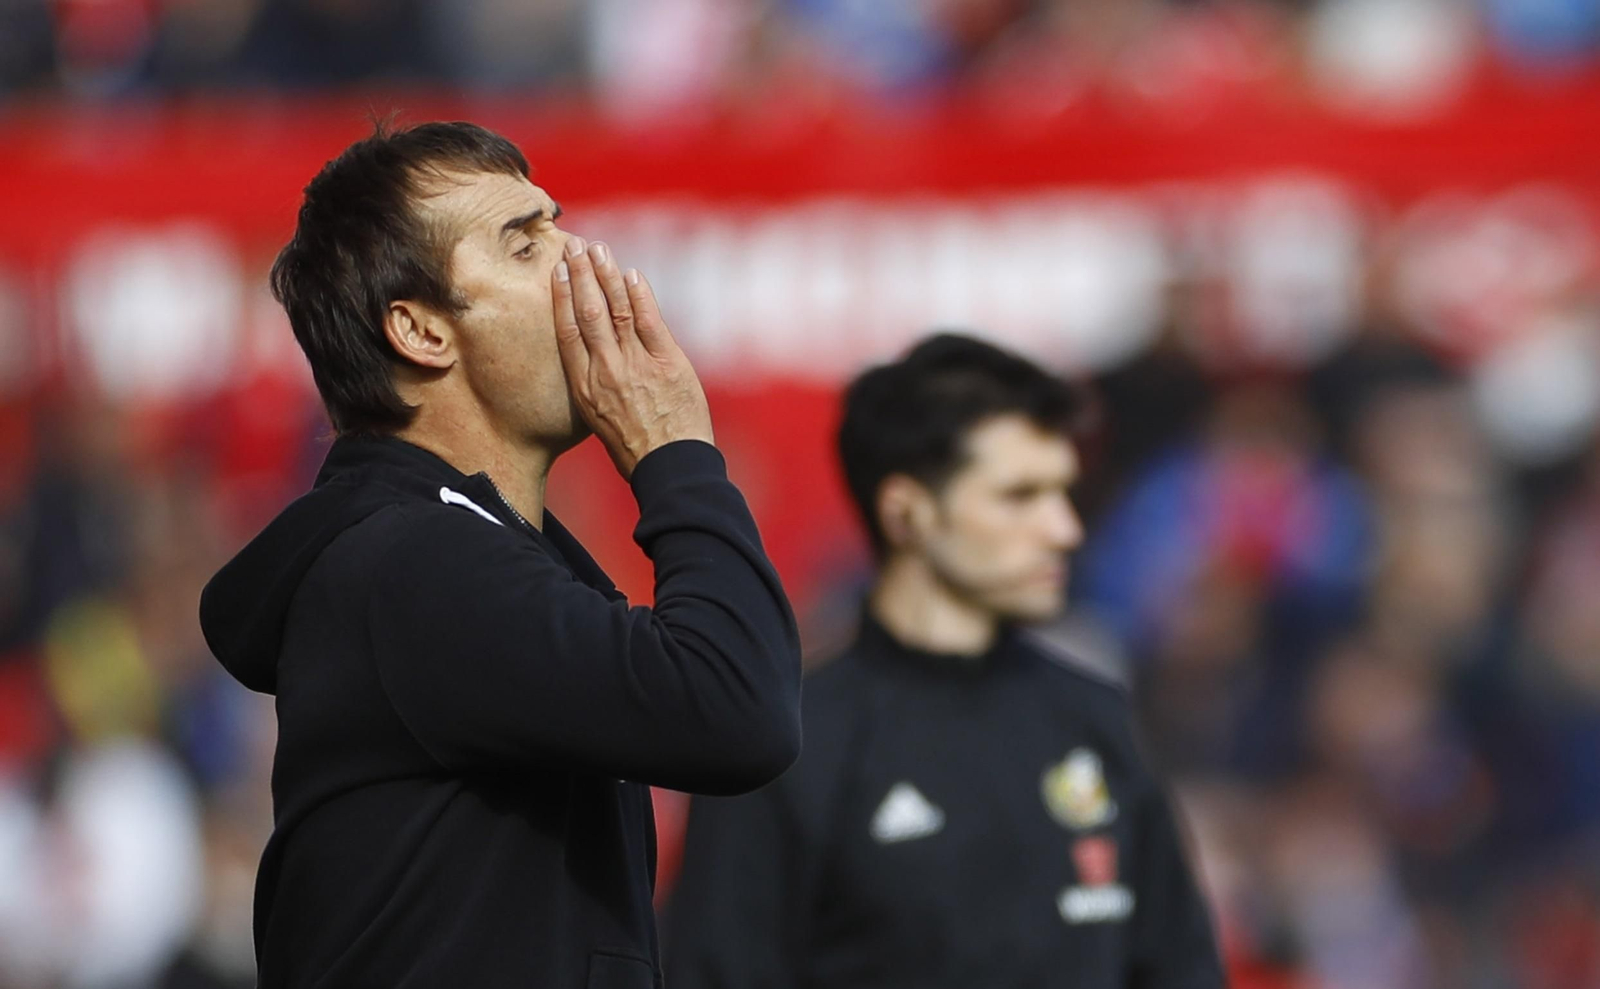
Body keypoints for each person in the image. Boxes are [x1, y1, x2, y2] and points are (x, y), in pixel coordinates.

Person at [197, 121, 802, 988]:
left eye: (558, 222)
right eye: (524, 246)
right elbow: (736, 705)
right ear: (421, 330)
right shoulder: (411, 566)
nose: (580, 257)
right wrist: (674, 450)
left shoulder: (469, 553)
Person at [664, 334, 1225, 989]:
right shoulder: (782, 746)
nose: (1064, 528)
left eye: (1064, 492)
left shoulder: (1094, 716)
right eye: (1020, 495)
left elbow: (1181, 965)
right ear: (909, 513)